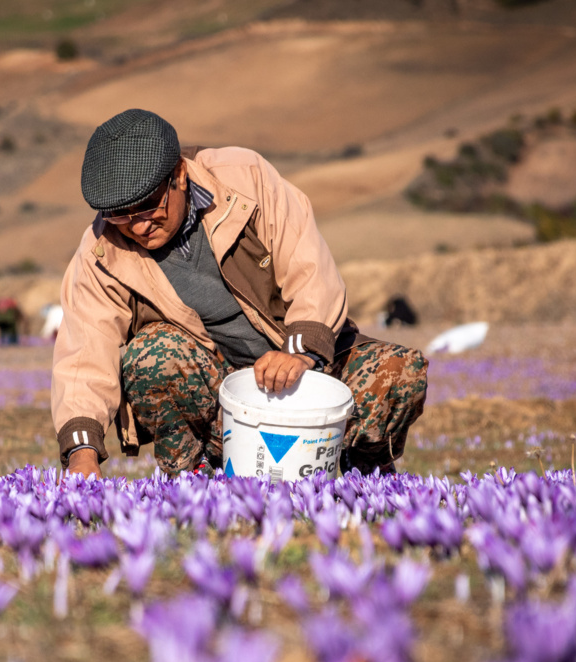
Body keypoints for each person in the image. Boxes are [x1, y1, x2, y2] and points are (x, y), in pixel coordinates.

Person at [52, 108, 427, 479]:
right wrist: (81, 451)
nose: (138, 224)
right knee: (151, 357)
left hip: (304, 373)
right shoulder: (101, 250)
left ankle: (354, 471)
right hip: (221, 404)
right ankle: (192, 479)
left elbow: (309, 265)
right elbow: (84, 352)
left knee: (400, 374)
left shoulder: (244, 179)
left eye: (149, 205)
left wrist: (298, 352)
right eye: (120, 214)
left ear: (179, 175)